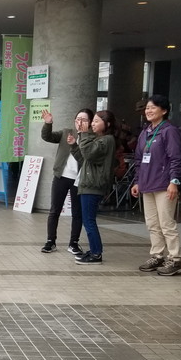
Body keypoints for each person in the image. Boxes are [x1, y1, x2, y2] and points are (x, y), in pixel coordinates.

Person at [130, 95, 181, 276]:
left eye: (153, 107)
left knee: (166, 223)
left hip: (164, 184)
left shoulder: (169, 131)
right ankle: (157, 256)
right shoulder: (145, 132)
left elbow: (175, 158)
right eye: (147, 108)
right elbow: (139, 160)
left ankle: (176, 259)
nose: (148, 111)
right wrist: (137, 181)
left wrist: (174, 181)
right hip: (147, 184)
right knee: (152, 224)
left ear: (164, 110)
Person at [40, 108, 93, 255]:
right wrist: (48, 123)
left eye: (84, 120)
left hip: (79, 179)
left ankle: (73, 243)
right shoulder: (66, 133)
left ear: (90, 123)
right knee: (54, 210)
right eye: (78, 119)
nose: (80, 122)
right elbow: (47, 136)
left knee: (77, 213)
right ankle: (50, 241)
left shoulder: (91, 138)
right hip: (61, 176)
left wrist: (83, 137)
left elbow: (86, 159)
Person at [72, 109, 117, 264]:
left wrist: (84, 135)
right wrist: (74, 145)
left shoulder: (106, 140)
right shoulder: (100, 139)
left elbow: (89, 153)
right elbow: (84, 158)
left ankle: (96, 254)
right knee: (88, 220)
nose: (92, 124)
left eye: (97, 121)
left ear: (107, 124)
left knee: (89, 221)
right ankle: (94, 250)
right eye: (93, 121)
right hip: (90, 184)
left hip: (93, 185)